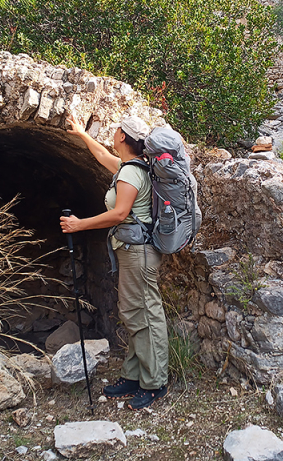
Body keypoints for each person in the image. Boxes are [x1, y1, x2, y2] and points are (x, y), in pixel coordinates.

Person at [60, 113, 169, 410]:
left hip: (139, 252)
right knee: (134, 312)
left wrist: (79, 225)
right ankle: (134, 376)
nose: (114, 132)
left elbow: (120, 213)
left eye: (117, 128)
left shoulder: (131, 173)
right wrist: (82, 135)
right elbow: (102, 156)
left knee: (145, 315)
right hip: (132, 251)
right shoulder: (129, 167)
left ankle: (155, 382)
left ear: (122, 136)